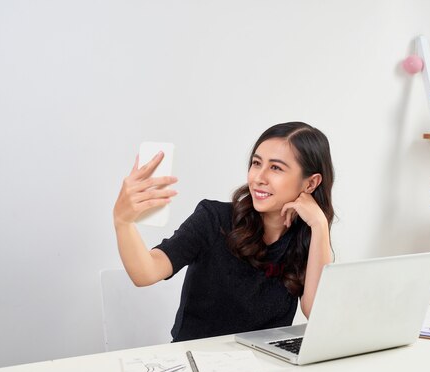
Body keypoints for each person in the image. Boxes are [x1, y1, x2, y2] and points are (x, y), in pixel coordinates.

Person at [113, 121, 335, 342]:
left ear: (310, 183)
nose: (258, 177)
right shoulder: (213, 218)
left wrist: (320, 225)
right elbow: (146, 273)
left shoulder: (307, 237)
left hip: (266, 366)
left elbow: (317, 312)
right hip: (196, 361)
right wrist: (122, 221)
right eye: (256, 163)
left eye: (275, 168)